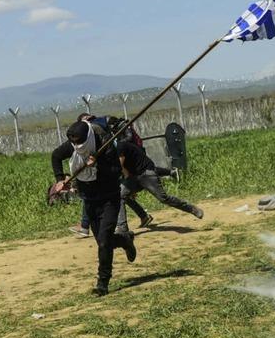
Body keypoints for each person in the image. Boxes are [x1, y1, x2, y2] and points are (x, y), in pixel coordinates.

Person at [52, 120, 136, 296]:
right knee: (102, 242)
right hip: (89, 199)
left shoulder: (105, 144)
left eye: (79, 142)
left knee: (104, 241)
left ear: (88, 137)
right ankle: (124, 240)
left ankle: (102, 283)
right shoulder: (73, 145)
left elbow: (115, 171)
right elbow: (56, 156)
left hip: (109, 199)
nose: (76, 146)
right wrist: (60, 179)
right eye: (73, 143)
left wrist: (97, 164)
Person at [115, 139, 203, 234]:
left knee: (163, 198)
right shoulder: (113, 150)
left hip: (146, 173)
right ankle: (127, 225)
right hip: (134, 176)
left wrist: (129, 187)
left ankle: (191, 208)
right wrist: (129, 187)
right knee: (120, 196)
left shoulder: (120, 147)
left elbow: (121, 168)